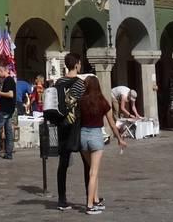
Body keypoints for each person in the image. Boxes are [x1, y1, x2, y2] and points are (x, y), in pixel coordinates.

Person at [77, 76, 125, 215]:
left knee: (92, 169)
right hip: (95, 135)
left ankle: (96, 200)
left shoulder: (81, 101)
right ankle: (90, 205)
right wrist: (119, 138)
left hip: (82, 135)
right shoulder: (102, 101)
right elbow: (111, 122)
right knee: (93, 172)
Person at [52, 52, 88, 212]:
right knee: (87, 162)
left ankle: (62, 199)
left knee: (63, 163)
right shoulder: (80, 84)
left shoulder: (58, 83)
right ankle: (90, 196)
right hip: (77, 126)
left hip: (62, 125)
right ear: (77, 64)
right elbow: (85, 105)